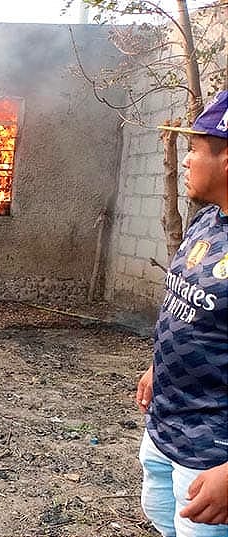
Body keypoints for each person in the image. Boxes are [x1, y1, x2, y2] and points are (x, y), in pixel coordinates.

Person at [136, 90, 228, 536]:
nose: (185, 160)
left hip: (214, 457)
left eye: (194, 148)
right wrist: (158, 365)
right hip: (166, 429)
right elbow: (187, 306)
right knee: (161, 522)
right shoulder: (208, 220)